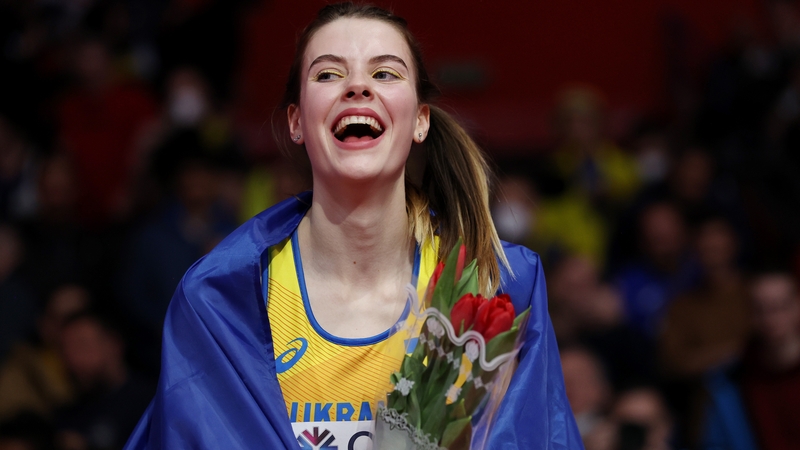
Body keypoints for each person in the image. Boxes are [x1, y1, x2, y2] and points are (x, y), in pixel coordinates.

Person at [124, 3, 581, 449]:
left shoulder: (499, 287)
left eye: (385, 73)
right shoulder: (221, 299)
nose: (358, 86)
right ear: (297, 122)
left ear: (420, 120)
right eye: (328, 74)